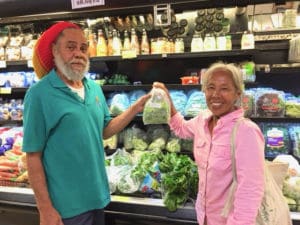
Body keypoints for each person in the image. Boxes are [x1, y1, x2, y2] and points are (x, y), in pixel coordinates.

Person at [22, 21, 150, 225]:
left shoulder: (93, 89)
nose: (78, 54)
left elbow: (105, 130)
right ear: (55, 50)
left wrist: (135, 108)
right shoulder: (39, 94)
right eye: (70, 47)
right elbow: (33, 156)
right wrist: (45, 208)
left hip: (98, 198)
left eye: (83, 48)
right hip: (66, 207)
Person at [153, 62, 265, 225]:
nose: (215, 95)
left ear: (237, 93)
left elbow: (250, 190)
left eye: (224, 88)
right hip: (204, 217)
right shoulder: (202, 120)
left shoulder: (246, 131)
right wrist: (166, 97)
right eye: (210, 87)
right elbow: (180, 128)